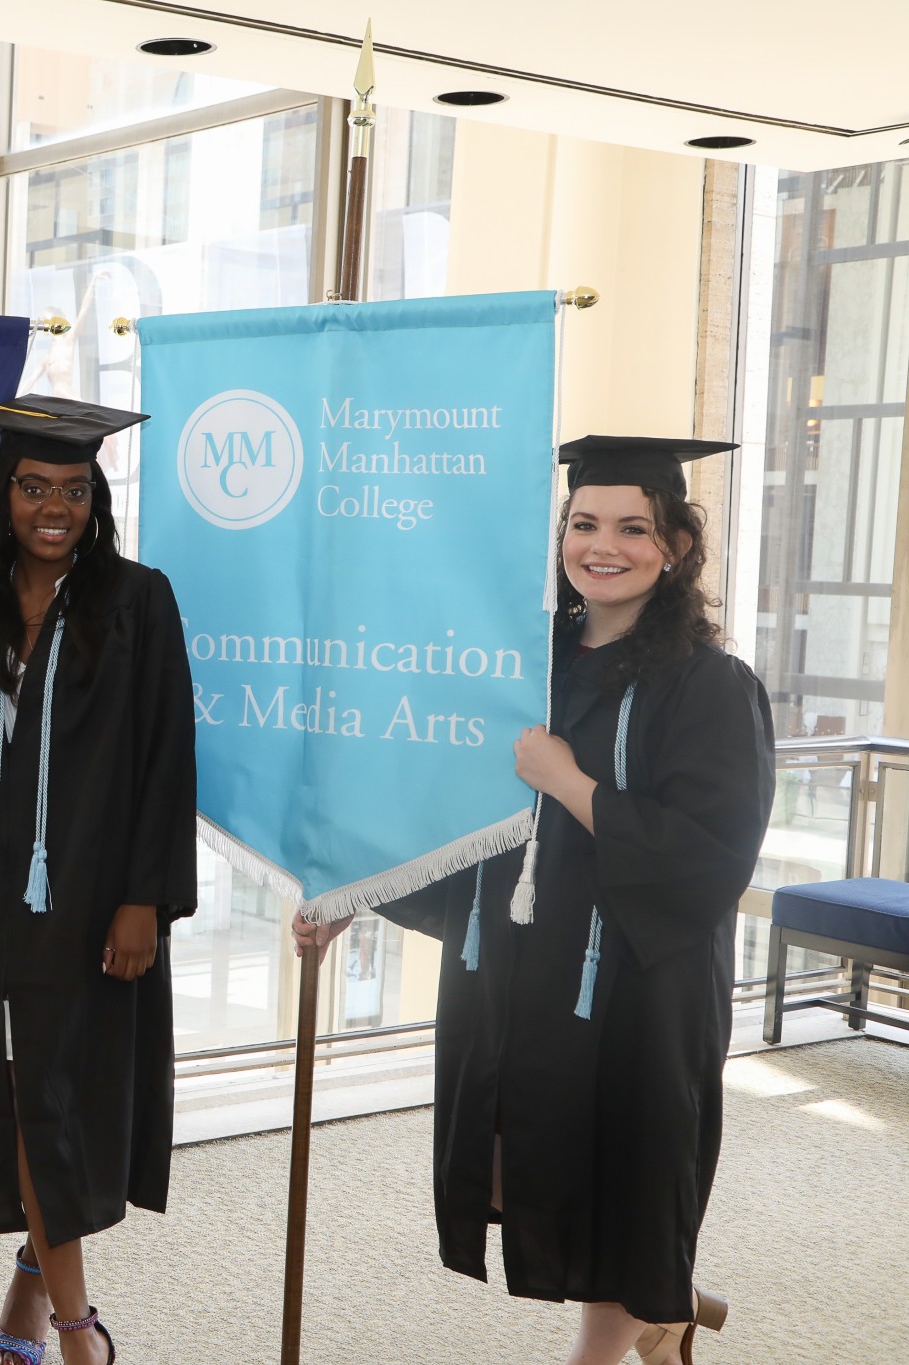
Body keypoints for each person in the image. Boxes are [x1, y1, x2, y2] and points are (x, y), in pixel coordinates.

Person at [294, 435, 774, 1365]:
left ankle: (623, 1324)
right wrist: (356, 886)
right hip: (519, 963)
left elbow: (712, 858)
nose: (606, 545)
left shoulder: (712, 687)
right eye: (584, 523)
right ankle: (663, 1312)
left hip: (635, 982)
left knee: (624, 1184)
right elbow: (454, 810)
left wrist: (571, 783)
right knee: (525, 1164)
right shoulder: (521, 666)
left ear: (675, 545)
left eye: (635, 527)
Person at [0, 395, 197, 1365]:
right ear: (1, 498)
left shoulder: (136, 600)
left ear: (94, 501)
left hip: (91, 894)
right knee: (15, 1089)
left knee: (54, 1094)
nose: (53, 508)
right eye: (32, 488)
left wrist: (144, 899)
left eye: (72, 492)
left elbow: (167, 755)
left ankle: (72, 1329)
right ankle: (33, 1311)